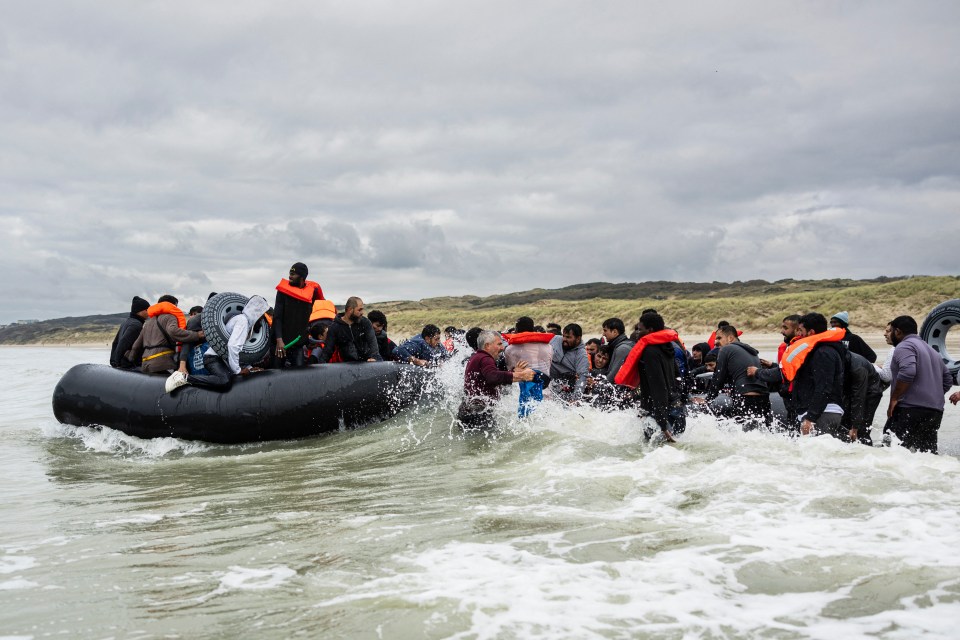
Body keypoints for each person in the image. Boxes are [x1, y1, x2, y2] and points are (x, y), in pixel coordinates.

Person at [165, 296, 269, 392]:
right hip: (213, 358)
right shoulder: (242, 321)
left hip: (223, 359)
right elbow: (233, 347)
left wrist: (250, 368)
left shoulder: (247, 326)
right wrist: (238, 371)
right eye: (262, 314)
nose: (262, 318)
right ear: (256, 312)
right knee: (224, 380)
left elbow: (242, 352)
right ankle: (183, 378)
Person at [885, 315, 953, 453]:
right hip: (934, 412)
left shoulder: (904, 346)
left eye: (890, 330)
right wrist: (931, 394)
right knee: (927, 455)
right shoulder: (932, 351)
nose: (885, 333)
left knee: (892, 451)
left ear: (897, 332)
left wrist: (894, 398)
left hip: (909, 409)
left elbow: (908, 371)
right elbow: (948, 380)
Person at [614, 312, 682, 441]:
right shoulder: (668, 347)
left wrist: (662, 425)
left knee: (651, 454)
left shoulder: (650, 352)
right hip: (676, 407)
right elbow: (677, 376)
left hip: (660, 414)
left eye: (640, 329)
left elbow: (658, 386)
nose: (637, 333)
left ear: (650, 330)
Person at [781, 313, 846, 439]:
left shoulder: (823, 353)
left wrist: (811, 418)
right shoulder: (817, 350)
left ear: (811, 332)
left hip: (824, 412)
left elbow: (823, 388)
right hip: (819, 412)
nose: (798, 334)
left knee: (818, 455)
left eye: (800, 330)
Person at [457, 330, 535, 429]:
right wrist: (521, 376)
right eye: (499, 344)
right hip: (478, 412)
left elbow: (493, 379)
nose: (502, 348)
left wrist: (514, 372)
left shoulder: (477, 357)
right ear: (487, 346)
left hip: (469, 410)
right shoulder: (485, 358)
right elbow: (493, 377)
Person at [700, 325, 771, 429]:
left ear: (730, 338)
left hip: (746, 397)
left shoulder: (726, 349)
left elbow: (718, 377)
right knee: (763, 432)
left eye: (719, 338)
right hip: (764, 397)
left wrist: (708, 399)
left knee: (744, 434)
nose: (715, 342)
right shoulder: (750, 351)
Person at [125, 295, 204, 374]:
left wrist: (131, 358)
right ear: (171, 305)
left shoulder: (148, 323)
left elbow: (136, 345)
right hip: (162, 364)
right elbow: (173, 331)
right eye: (175, 306)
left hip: (146, 364)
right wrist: (196, 335)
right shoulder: (170, 317)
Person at [273, 262, 324, 368]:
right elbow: (277, 318)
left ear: (302, 277)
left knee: (300, 373)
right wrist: (279, 340)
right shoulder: (282, 292)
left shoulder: (311, 293)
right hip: (280, 344)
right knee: (275, 373)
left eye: (293, 274)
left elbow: (304, 320)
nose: (289, 276)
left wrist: (307, 341)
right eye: (289, 273)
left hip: (297, 344)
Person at [503, 317, 555, 417]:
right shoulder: (548, 347)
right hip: (546, 390)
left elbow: (511, 372)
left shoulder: (510, 349)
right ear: (533, 329)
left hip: (526, 393)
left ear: (516, 330)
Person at [317, 297, 381, 363]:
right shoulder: (335, 327)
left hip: (367, 361)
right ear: (350, 310)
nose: (362, 313)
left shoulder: (365, 323)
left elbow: (373, 344)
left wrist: (374, 357)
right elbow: (327, 351)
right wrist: (320, 366)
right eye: (359, 310)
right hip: (348, 365)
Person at [549, 323, 590, 402]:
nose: (564, 339)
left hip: (565, 384)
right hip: (548, 379)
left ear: (578, 338)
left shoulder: (581, 355)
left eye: (568, 337)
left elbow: (582, 377)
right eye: (563, 336)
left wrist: (575, 399)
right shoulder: (555, 339)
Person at [110, 296, 150, 369]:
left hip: (123, 362)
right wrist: (117, 363)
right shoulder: (136, 325)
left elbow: (115, 343)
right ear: (139, 311)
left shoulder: (126, 322)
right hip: (128, 365)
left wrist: (113, 361)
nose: (149, 312)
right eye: (147, 310)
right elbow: (123, 343)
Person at [602, 318, 635, 384]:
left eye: (605, 331)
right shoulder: (621, 345)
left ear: (614, 332)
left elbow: (613, 376)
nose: (603, 334)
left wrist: (597, 385)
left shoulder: (622, 349)